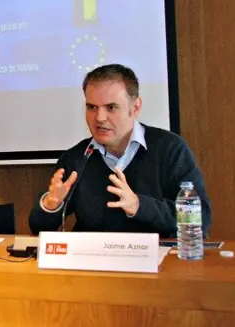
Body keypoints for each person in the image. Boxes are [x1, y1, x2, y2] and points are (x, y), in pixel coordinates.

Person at [28, 64, 212, 237]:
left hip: (157, 258)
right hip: (93, 258)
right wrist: (51, 205)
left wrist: (139, 205)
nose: (100, 118)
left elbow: (200, 220)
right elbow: (37, 228)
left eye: (111, 107)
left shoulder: (169, 149)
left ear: (135, 107)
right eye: (92, 107)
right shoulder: (77, 158)